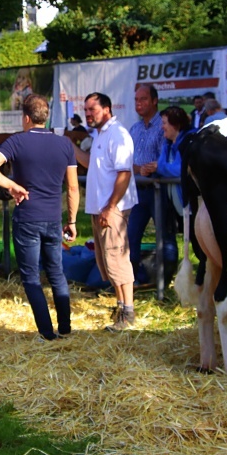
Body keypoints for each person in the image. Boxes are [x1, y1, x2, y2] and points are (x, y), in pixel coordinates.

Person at [0, 94, 79, 340]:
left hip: (27, 217)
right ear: (46, 117)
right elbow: (73, 187)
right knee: (56, 273)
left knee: (31, 277)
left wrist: (11, 185)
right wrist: (72, 220)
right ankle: (65, 328)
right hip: (53, 217)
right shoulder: (65, 144)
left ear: (26, 118)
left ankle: (46, 332)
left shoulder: (17, 141)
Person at [74, 93, 138, 331]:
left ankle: (127, 313)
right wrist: (69, 146)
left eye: (92, 109)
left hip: (112, 209)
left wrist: (110, 207)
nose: (88, 114)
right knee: (108, 261)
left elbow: (124, 173)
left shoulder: (118, 134)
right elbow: (90, 163)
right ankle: (121, 306)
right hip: (101, 208)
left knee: (117, 258)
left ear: (107, 109)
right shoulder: (100, 134)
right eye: (86, 110)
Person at [127, 84, 174, 285]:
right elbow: (128, 161)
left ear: (155, 101)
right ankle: (133, 280)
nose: (139, 104)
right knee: (131, 236)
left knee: (165, 237)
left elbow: (163, 161)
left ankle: (165, 283)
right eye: (136, 100)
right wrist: (138, 169)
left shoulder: (163, 127)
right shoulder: (134, 128)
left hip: (159, 189)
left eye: (143, 99)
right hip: (137, 190)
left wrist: (147, 168)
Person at [154, 106, 198, 261]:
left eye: (165, 123)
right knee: (194, 243)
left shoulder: (189, 141)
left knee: (200, 245)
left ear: (176, 124)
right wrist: (157, 168)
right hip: (178, 207)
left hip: (193, 206)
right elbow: (162, 165)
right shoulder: (167, 144)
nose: (162, 127)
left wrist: (158, 168)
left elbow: (180, 169)